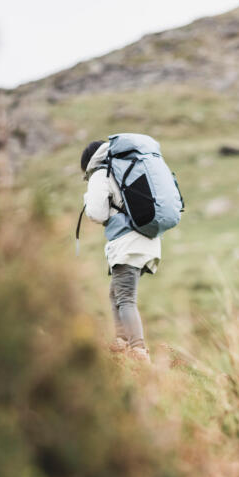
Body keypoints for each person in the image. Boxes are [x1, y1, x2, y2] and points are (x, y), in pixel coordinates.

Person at [80, 140, 161, 362]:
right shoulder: (126, 167)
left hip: (128, 244)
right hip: (147, 240)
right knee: (115, 293)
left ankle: (137, 350)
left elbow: (97, 213)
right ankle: (121, 342)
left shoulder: (101, 173)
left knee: (125, 297)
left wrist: (88, 198)